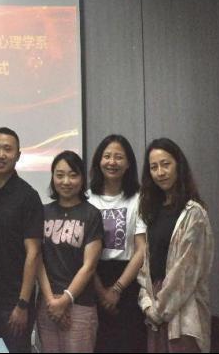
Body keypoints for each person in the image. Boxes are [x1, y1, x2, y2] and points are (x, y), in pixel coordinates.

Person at [137, 138, 214, 353]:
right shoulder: (153, 210)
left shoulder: (194, 213)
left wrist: (158, 311)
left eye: (166, 164)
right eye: (154, 167)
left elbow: (186, 272)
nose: (160, 172)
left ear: (178, 166)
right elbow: (147, 265)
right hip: (155, 304)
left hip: (183, 308)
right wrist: (147, 303)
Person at [0, 127, 43, 353]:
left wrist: (23, 304)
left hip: (14, 302)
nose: (1, 155)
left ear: (18, 155)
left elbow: (33, 253)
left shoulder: (28, 196)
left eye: (7, 149)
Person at [37, 150, 103, 353]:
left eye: (73, 175)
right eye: (60, 175)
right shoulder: (43, 212)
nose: (66, 181)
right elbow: (37, 260)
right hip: (47, 304)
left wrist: (65, 300)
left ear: (82, 179)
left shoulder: (91, 214)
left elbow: (89, 266)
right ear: (53, 177)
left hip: (80, 304)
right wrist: (52, 301)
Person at [88, 135, 147, 353]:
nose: (112, 162)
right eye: (107, 156)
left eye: (119, 157)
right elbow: (83, 255)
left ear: (128, 163)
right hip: (92, 277)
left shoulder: (139, 198)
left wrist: (117, 289)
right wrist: (101, 292)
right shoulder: (87, 198)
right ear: (98, 161)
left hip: (128, 280)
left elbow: (142, 249)